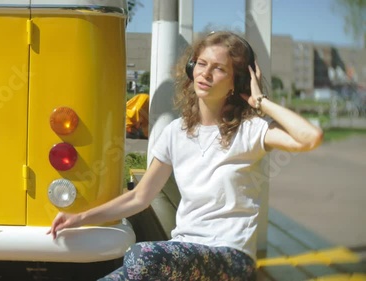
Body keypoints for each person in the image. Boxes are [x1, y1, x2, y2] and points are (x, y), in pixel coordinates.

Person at [47, 31, 323, 281]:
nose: (206, 74)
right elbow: (138, 197)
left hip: (231, 258)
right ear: (192, 68)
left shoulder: (250, 130)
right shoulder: (174, 133)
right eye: (201, 64)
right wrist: (80, 217)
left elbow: (309, 138)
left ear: (236, 82)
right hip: (181, 253)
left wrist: (260, 102)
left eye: (219, 69)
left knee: (142, 257)